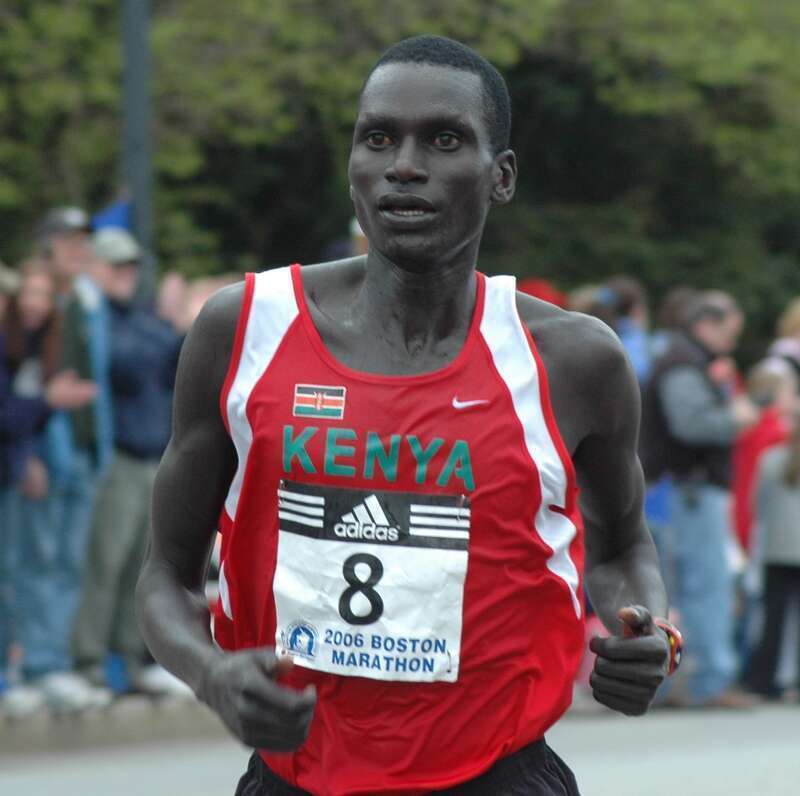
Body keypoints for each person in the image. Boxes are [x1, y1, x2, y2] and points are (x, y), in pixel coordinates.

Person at [137, 35, 678, 795]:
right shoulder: (244, 330)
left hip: (498, 775)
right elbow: (165, 575)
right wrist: (213, 674)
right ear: (354, 164)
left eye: (445, 139)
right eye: (379, 138)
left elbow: (623, 549)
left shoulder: (574, 361)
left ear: (502, 177)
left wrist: (648, 629)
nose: (405, 166)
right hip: (295, 778)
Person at [71, 229, 188, 697]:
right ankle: (89, 660)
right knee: (106, 562)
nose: (126, 275)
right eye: (116, 267)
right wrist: (177, 330)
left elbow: (172, 358)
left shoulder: (136, 317)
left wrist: (178, 332)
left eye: (130, 267)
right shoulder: (95, 319)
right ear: (95, 268)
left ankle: (132, 659)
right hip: (116, 458)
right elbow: (128, 362)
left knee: (141, 565)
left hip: (150, 456)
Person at [640, 290, 758, 708]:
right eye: (728, 332)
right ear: (706, 324)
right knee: (706, 587)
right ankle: (710, 681)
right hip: (689, 491)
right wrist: (736, 418)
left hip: (674, 491)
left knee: (669, 592)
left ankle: (666, 683)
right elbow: (692, 425)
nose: (731, 343)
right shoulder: (684, 365)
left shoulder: (680, 359)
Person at [0, 258, 98, 716]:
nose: (36, 303)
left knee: (52, 565)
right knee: (23, 570)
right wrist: (47, 405)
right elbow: (12, 414)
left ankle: (42, 664)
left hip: (33, 466)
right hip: (21, 471)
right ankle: (25, 667)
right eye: (29, 294)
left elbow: (26, 416)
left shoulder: (43, 339)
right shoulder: (12, 341)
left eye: (45, 295)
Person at [745, 408, 800, 698]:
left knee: (773, 620)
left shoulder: (771, 460)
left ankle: (763, 680)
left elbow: (757, 504)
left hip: (777, 550)